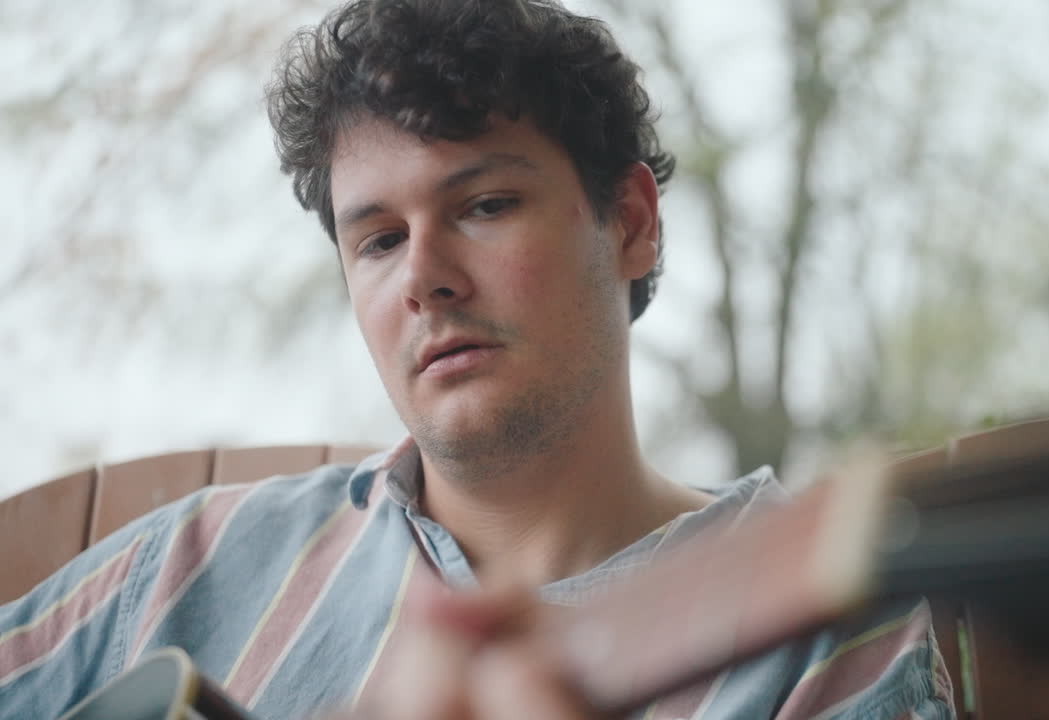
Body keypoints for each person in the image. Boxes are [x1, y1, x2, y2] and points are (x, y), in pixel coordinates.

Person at [0, 1, 955, 718]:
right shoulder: (184, 573)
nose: (423, 278)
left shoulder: (820, 629)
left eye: (484, 205)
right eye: (376, 240)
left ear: (628, 223)